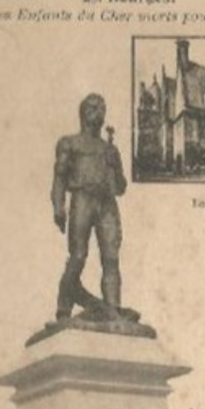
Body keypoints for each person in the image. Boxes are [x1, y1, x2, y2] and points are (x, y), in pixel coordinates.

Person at [51, 93, 130, 322]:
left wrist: (115, 167)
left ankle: (113, 307)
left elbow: (121, 188)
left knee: (111, 257)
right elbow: (59, 178)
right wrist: (59, 206)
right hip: (82, 198)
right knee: (78, 255)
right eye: (95, 108)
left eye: (103, 108)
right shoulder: (70, 143)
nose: (100, 112)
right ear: (84, 112)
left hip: (107, 203)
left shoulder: (110, 149)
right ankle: (64, 308)